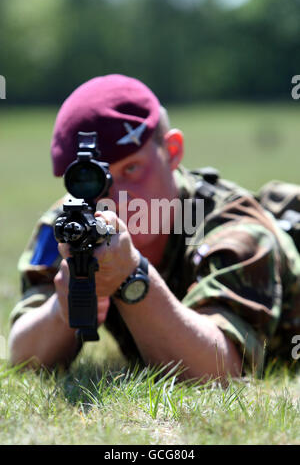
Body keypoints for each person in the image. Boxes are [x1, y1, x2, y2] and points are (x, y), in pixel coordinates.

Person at [8, 74, 300, 382]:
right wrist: (62, 310)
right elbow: (22, 353)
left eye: (132, 168)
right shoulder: (71, 224)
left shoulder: (234, 229)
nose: (117, 197)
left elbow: (219, 369)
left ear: (172, 150)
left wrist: (132, 278)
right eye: (93, 180)